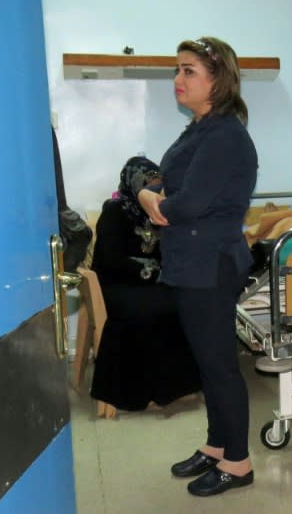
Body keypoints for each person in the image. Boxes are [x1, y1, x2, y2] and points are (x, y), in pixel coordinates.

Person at [137, 36, 257, 497]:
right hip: (192, 263)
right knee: (207, 364)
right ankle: (215, 446)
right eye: (177, 70)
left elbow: (184, 205)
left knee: (221, 366)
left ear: (218, 80)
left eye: (189, 71)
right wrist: (152, 191)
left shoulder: (225, 135)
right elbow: (171, 186)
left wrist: (150, 198)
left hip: (211, 266)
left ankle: (239, 462)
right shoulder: (201, 128)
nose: (178, 80)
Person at [90, 156, 202, 412]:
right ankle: (135, 391)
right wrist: (150, 270)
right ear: (134, 183)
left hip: (154, 282)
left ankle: (174, 387)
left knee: (183, 305)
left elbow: (168, 251)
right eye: (149, 182)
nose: (154, 188)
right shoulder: (114, 211)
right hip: (118, 282)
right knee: (143, 312)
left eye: (158, 182)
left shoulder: (160, 212)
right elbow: (110, 259)